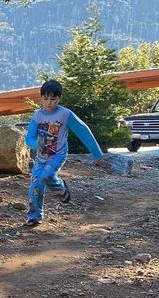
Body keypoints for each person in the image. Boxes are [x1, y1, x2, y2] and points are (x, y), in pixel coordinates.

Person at [22, 79, 104, 228]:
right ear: (41, 98)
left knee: (47, 175)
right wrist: (36, 144)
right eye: (45, 99)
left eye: (53, 99)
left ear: (59, 99)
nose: (49, 103)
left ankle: (61, 188)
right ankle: (34, 216)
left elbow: (83, 131)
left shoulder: (65, 114)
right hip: (40, 158)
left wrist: (97, 153)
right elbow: (29, 138)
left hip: (57, 155)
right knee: (35, 186)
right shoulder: (37, 116)